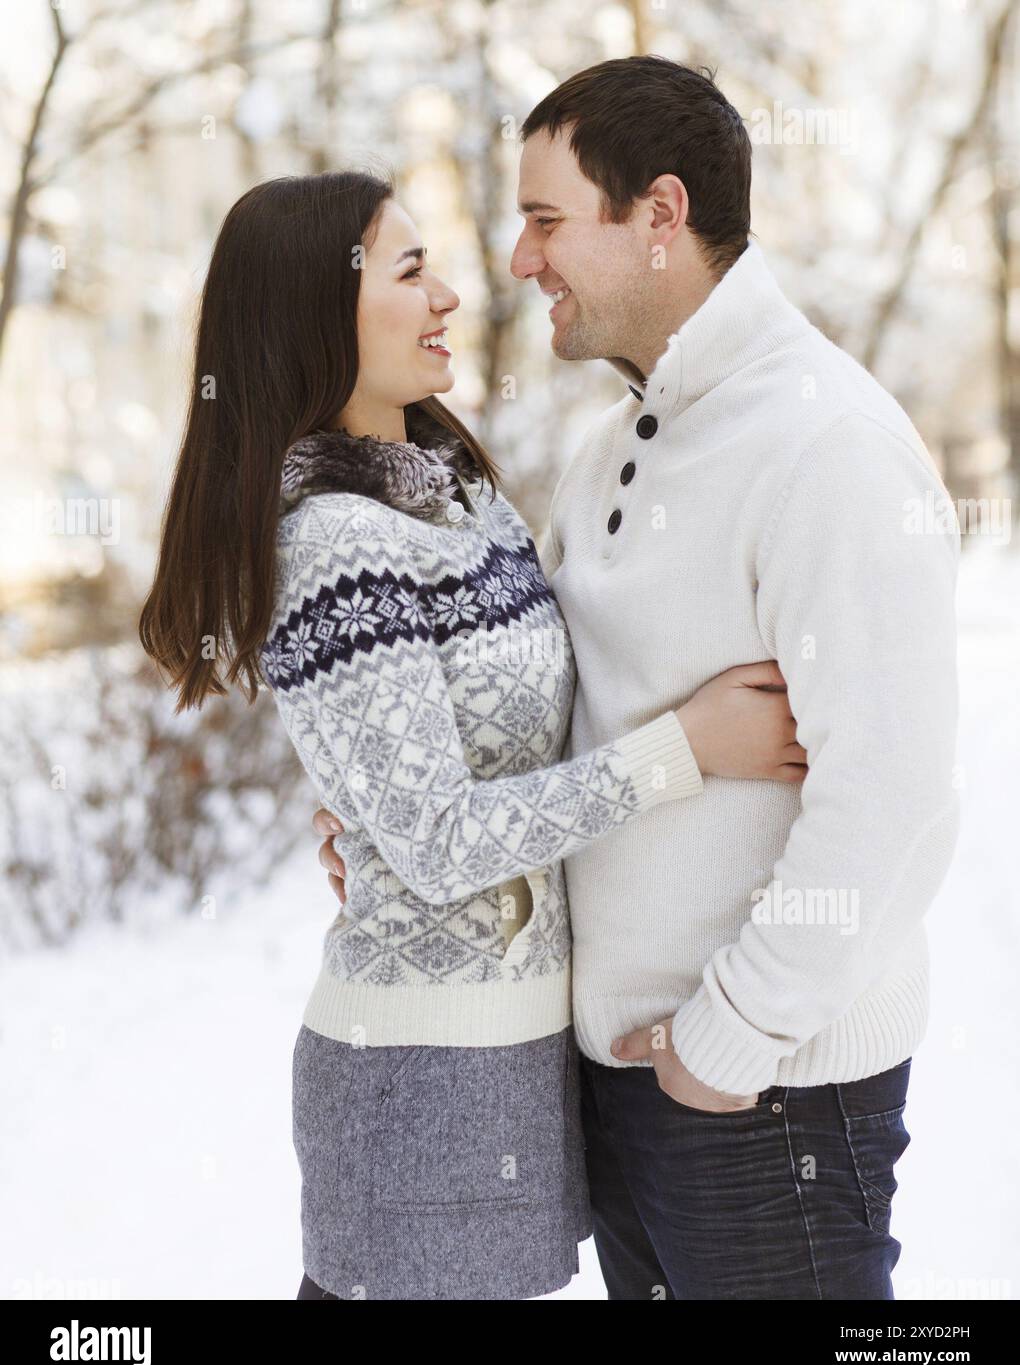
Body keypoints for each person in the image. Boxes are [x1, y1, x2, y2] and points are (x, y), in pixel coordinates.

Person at [319, 57, 961, 1299]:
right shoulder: (619, 442)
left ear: (660, 217)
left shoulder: (827, 446)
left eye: (548, 219)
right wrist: (405, 812)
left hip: (768, 1103)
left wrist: (732, 1038)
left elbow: (897, 800)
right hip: (628, 1087)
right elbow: (564, 719)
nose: (517, 260)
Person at [138, 169, 806, 1300]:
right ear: (317, 311)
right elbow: (442, 841)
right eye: (411, 272)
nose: (452, 295)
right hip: (422, 1077)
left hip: (507, 1060)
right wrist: (685, 747)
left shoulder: (456, 494)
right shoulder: (338, 543)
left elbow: (483, 765)